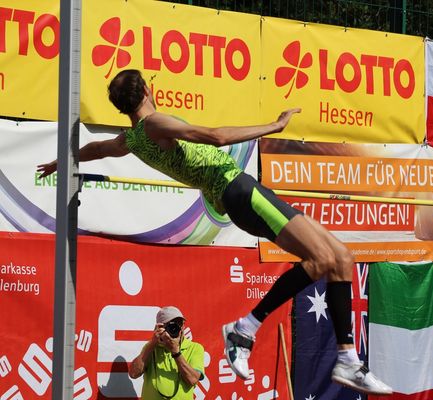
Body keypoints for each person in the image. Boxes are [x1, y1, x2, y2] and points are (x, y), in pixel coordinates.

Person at [37, 69, 392, 395]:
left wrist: (62, 160)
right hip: (236, 189)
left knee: (341, 257)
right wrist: (274, 126)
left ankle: (347, 357)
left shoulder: (132, 139)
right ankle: (246, 328)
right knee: (320, 259)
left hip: (236, 195)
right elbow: (216, 137)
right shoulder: (154, 124)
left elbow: (98, 149)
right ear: (148, 89)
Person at [128, 306, 204, 399]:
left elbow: (192, 380)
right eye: (170, 325)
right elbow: (133, 374)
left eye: (179, 323)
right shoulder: (151, 347)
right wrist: (152, 344)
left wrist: (175, 351)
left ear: (183, 326)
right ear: (159, 327)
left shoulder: (195, 348)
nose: (177, 328)